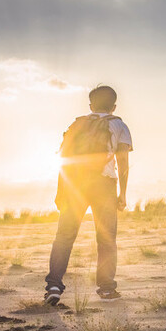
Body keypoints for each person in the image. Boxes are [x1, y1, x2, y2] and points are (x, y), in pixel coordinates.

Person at [45, 85, 133, 304]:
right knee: (106, 239)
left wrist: (60, 192)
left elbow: (64, 160)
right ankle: (106, 288)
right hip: (104, 185)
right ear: (114, 106)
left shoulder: (76, 125)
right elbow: (123, 163)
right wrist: (123, 194)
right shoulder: (119, 125)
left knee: (64, 237)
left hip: (74, 185)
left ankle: (54, 286)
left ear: (91, 105)